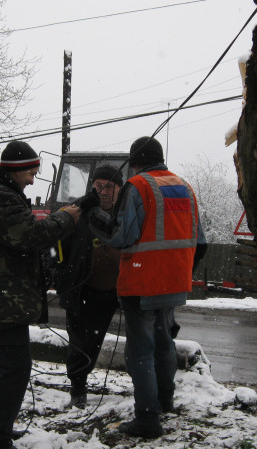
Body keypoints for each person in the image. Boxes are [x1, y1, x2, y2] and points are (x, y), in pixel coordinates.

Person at [0, 140, 87, 449]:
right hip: (5, 297)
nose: (33, 179)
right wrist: (68, 218)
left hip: (0, 294)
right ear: (16, 170)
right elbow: (29, 235)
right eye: (31, 172)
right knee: (15, 367)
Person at [88, 136, 207, 439]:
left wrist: (93, 214)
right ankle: (165, 402)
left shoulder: (138, 186)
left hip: (141, 283)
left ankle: (147, 418)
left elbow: (119, 237)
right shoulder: (184, 186)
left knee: (139, 352)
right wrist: (178, 272)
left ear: (134, 162)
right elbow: (201, 243)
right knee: (163, 343)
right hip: (173, 284)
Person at [54, 164, 123, 409]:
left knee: (96, 341)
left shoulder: (125, 216)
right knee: (80, 343)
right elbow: (53, 248)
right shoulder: (77, 213)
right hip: (83, 290)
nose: (103, 192)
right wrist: (60, 276)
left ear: (119, 189)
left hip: (114, 293)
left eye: (109, 187)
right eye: (98, 186)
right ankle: (78, 388)